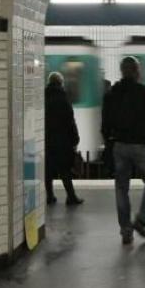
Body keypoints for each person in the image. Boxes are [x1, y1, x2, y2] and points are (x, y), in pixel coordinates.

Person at [102, 56, 145, 245]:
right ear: (136, 71)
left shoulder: (111, 94)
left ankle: (126, 231)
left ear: (121, 71)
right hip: (141, 144)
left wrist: (109, 144)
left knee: (121, 188)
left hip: (119, 145)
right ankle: (141, 220)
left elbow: (105, 125)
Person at [44, 72, 83, 206]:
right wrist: (75, 138)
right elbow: (70, 120)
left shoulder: (42, 96)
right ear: (61, 83)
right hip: (62, 140)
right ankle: (71, 197)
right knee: (64, 170)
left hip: (47, 139)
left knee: (48, 170)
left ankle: (49, 196)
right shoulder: (63, 97)